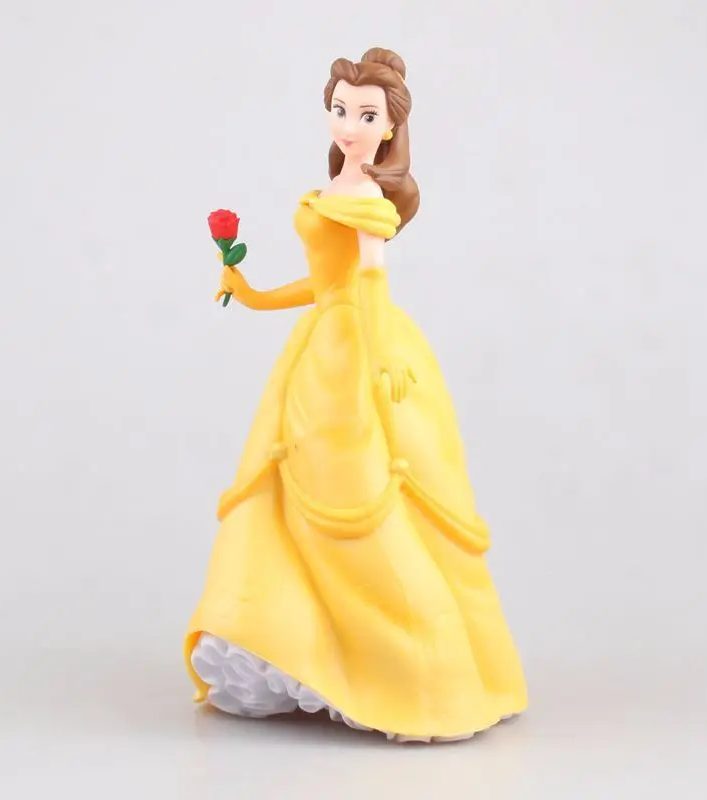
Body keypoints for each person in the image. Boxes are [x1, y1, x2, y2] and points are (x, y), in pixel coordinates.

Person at [185, 47, 528, 743]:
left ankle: (415, 672)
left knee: (351, 492)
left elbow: (370, 282)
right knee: (293, 491)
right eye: (341, 110)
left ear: (391, 127)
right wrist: (251, 293)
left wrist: (381, 359)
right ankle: (301, 642)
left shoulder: (368, 197)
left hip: (356, 348)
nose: (349, 126)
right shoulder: (336, 185)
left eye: (366, 116)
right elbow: (325, 283)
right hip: (322, 344)